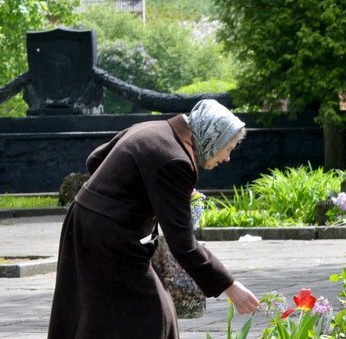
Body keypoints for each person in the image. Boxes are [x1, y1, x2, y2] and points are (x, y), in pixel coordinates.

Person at [48, 99, 259, 339]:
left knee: (101, 311)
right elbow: (184, 245)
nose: (228, 158)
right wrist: (230, 286)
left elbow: (95, 159)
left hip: (85, 220)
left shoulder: (151, 128)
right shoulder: (175, 160)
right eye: (228, 147)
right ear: (214, 137)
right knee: (154, 313)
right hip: (111, 235)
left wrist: (140, 192)